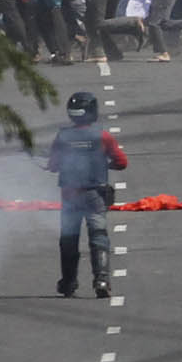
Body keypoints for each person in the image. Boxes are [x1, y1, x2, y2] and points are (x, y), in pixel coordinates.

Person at [45, 91, 127, 300]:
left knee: (69, 239)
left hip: (70, 194)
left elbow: (53, 165)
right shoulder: (102, 136)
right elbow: (121, 162)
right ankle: (101, 279)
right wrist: (104, 164)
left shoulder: (62, 136)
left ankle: (68, 282)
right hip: (95, 194)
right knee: (98, 235)